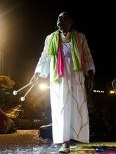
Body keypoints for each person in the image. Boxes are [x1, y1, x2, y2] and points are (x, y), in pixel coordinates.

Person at [33, 11, 95, 153]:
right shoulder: (50, 39)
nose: (60, 20)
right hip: (58, 78)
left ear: (70, 22)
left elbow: (87, 56)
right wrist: (37, 73)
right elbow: (45, 57)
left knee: (76, 107)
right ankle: (65, 143)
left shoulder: (80, 37)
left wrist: (91, 76)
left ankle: (75, 139)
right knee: (61, 108)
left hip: (76, 76)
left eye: (63, 18)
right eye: (58, 18)